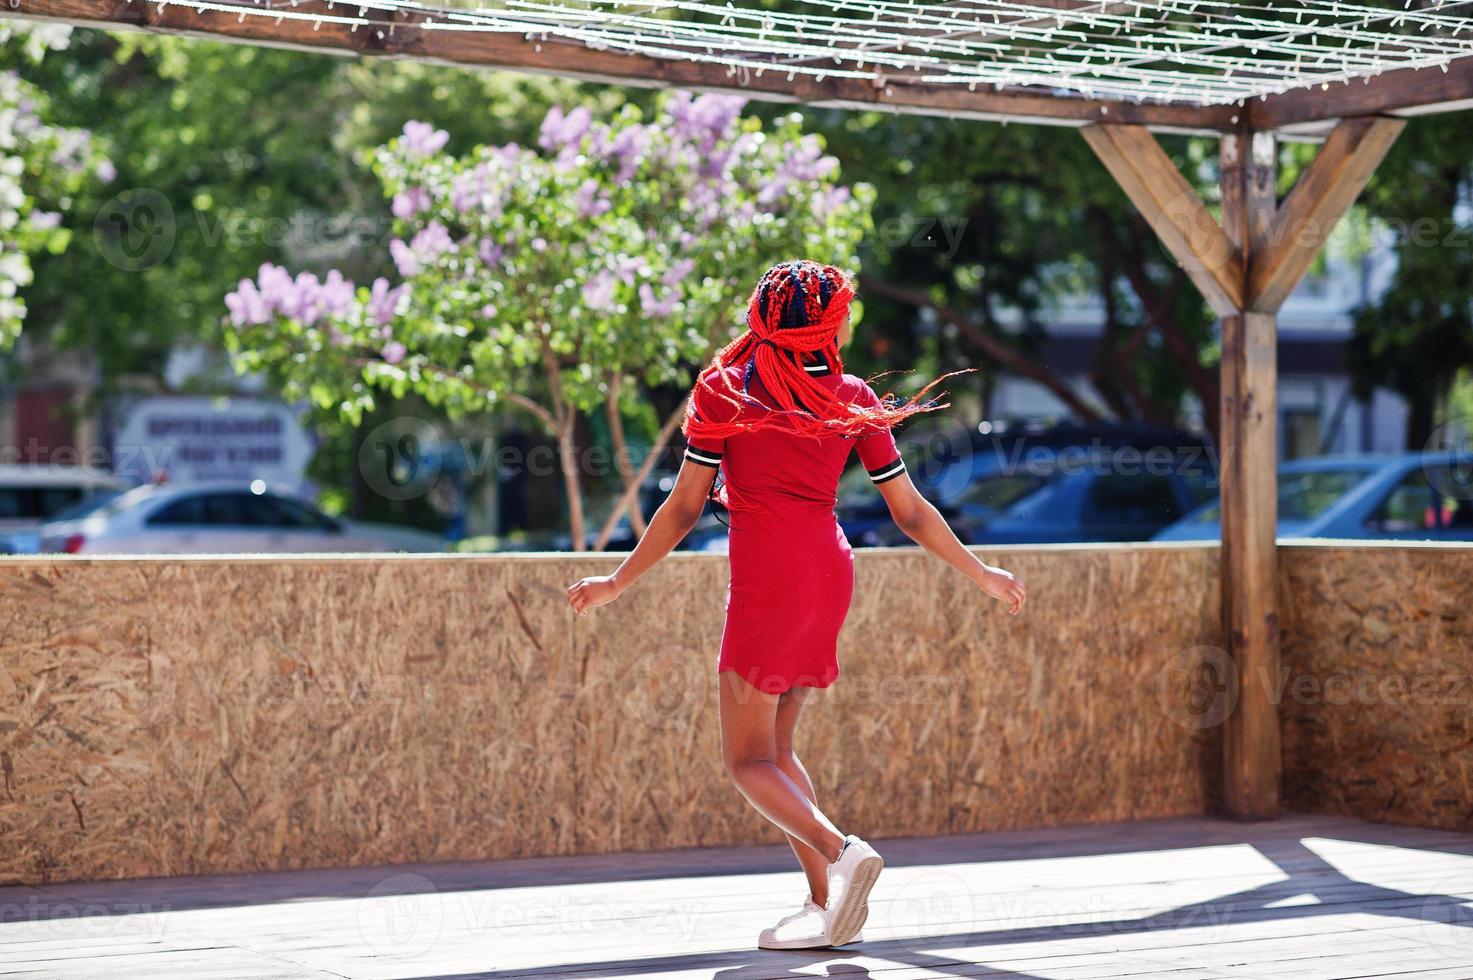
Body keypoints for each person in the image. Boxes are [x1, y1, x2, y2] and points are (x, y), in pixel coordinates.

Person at [566, 259, 1026, 950]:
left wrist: (616, 581)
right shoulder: (847, 395)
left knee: (745, 760)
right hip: (827, 570)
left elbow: (685, 506)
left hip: (769, 575)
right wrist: (978, 571)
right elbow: (909, 512)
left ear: (761, 315)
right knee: (776, 749)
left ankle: (841, 852)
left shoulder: (724, 392)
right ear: (830, 323)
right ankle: (823, 908)